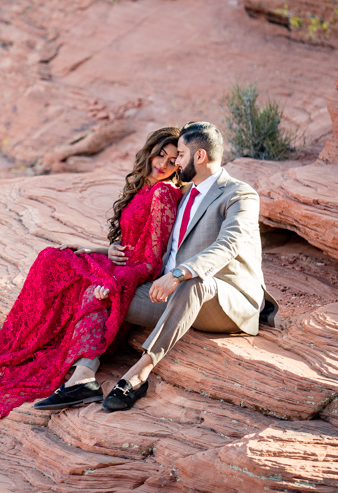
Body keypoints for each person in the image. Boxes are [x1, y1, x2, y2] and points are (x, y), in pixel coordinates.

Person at [0, 127, 184, 419]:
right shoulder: (145, 187)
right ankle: (34, 341)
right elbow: (131, 245)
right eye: (160, 154)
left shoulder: (163, 193)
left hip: (131, 274)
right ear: (150, 151)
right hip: (119, 263)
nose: (163, 164)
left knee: (89, 289)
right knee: (52, 258)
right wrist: (98, 250)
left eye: (172, 160)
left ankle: (82, 378)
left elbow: (151, 262)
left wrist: (116, 281)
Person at [96, 121, 280, 411]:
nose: (176, 163)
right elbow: (151, 245)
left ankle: (140, 372)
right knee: (104, 286)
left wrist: (179, 274)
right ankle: (79, 372)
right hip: (173, 296)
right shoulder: (181, 196)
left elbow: (227, 245)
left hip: (226, 300)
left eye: (180, 155)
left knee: (195, 281)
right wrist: (107, 252)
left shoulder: (239, 195)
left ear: (199, 156)